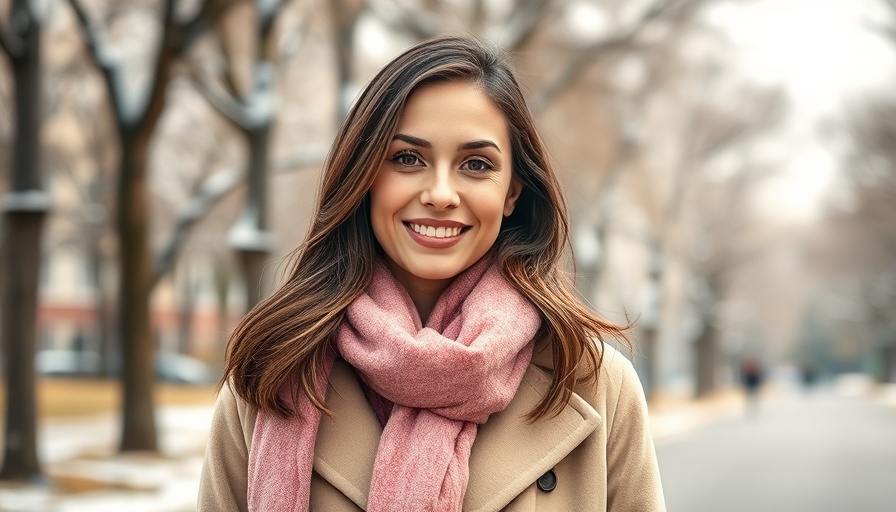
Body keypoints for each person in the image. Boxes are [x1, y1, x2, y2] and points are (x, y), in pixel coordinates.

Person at [198, 34, 665, 511]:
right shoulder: (271, 376)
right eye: (407, 158)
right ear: (365, 178)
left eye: (476, 164)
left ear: (512, 194)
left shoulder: (595, 383)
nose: (441, 193)